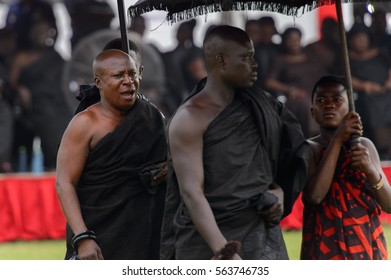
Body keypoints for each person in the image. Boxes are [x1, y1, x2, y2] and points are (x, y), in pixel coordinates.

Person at [160, 25, 309, 260]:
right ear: (221, 61)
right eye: (247, 58)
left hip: (261, 232)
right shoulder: (189, 118)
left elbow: (280, 160)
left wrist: (278, 193)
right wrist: (225, 251)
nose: (255, 65)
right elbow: (191, 193)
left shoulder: (261, 106)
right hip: (208, 239)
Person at [55, 49, 167, 260]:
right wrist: (82, 236)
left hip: (147, 227)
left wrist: (168, 170)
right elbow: (65, 183)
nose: (129, 81)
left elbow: (171, 160)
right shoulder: (85, 124)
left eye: (132, 74)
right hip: (100, 230)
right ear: (98, 82)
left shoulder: (152, 115)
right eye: (118, 76)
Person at [301, 75, 391, 260]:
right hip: (325, 248)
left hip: (366, 244)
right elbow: (315, 196)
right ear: (312, 111)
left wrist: (370, 171)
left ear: (350, 109)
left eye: (337, 100)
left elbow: (389, 205)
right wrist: (337, 140)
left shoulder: (364, 146)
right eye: (321, 100)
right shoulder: (308, 149)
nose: (329, 105)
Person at [265, 26, 327, 138]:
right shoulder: (280, 60)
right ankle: (312, 137)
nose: (294, 43)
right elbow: (270, 82)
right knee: (307, 106)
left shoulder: (312, 57)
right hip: (296, 97)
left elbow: (324, 76)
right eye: (290, 40)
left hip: (316, 93)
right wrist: (289, 89)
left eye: (296, 39)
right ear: (285, 42)